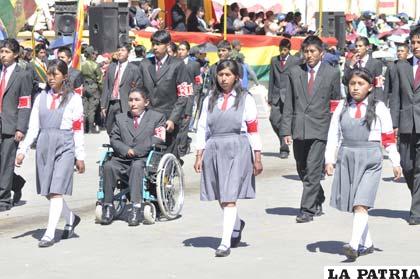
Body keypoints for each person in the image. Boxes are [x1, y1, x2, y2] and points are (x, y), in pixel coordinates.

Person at [325, 68, 401, 260]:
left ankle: (353, 245)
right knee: (356, 204)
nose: (356, 88)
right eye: (352, 84)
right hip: (347, 156)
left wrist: (395, 161)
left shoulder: (380, 107)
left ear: (369, 87)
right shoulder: (342, 107)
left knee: (361, 203)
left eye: (360, 84)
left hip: (371, 159)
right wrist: (329, 160)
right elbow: (333, 135)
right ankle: (367, 244)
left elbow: (388, 138)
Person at [194, 59, 263, 257]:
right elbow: (202, 128)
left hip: (237, 148)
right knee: (221, 195)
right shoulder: (209, 99)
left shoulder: (245, 99)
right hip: (214, 147)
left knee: (230, 196)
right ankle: (236, 223)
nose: (224, 79)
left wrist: (257, 156)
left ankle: (224, 243)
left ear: (236, 77)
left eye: (228, 75)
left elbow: (252, 130)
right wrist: (199, 154)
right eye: (221, 74)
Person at [15, 59, 85, 247]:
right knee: (48, 191)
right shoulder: (41, 97)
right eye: (49, 74)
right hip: (45, 144)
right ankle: (70, 217)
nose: (51, 78)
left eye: (55, 75)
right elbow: (33, 127)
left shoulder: (74, 99)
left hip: (65, 145)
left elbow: (78, 129)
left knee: (56, 190)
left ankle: (49, 233)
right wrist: (23, 151)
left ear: (65, 77)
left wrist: (80, 156)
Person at [280, 35, 341, 223]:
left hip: (320, 127)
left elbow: (334, 103)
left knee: (314, 168)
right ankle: (317, 195)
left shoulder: (332, 73)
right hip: (299, 126)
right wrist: (285, 130)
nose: (309, 55)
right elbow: (288, 103)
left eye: (313, 51)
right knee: (302, 167)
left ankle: (307, 210)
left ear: (321, 53)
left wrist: (334, 130)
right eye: (306, 51)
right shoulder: (293, 71)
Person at [100, 89, 166, 226]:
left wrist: (136, 151)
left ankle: (136, 206)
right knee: (108, 166)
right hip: (123, 157)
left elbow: (158, 138)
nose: (133, 103)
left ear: (146, 102)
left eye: (137, 100)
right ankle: (108, 205)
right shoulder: (121, 118)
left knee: (136, 166)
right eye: (130, 100)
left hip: (144, 158)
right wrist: (126, 150)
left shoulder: (157, 117)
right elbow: (114, 138)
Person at [138, 30, 192, 159]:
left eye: (158, 44)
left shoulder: (178, 64)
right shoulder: (145, 64)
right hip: (148, 116)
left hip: (168, 118)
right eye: (153, 44)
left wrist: (173, 119)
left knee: (165, 155)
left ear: (168, 45)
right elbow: (139, 91)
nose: (155, 47)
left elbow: (184, 95)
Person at [390, 26, 420, 226]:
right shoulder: (401, 66)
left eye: (419, 42)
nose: (416, 46)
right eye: (414, 43)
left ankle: (416, 211)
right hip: (406, 123)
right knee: (408, 168)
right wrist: (393, 124)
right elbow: (395, 97)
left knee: (419, 168)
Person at [0, 39, 32, 212]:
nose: (3, 55)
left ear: (16, 54)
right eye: (1, 51)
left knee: (6, 162)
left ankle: (4, 199)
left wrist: (21, 127)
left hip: (11, 124)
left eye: (6, 52)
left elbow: (25, 104)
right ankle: (16, 182)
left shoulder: (22, 75)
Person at [268, 38, 301, 159]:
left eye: (285, 50)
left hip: (289, 95)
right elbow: (272, 79)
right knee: (273, 119)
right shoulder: (274, 60)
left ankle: (284, 148)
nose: (282, 52)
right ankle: (284, 138)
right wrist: (270, 96)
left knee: (286, 121)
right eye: (281, 49)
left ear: (289, 50)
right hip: (276, 96)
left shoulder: (295, 61)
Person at [101, 43, 141, 134]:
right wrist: (103, 105)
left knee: (124, 129)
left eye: (122, 50)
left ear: (128, 53)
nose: (120, 52)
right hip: (111, 103)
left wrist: (135, 104)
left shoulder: (134, 69)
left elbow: (137, 88)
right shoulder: (111, 67)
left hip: (124, 103)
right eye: (118, 50)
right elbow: (106, 86)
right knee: (110, 127)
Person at [176, 41, 201, 157]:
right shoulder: (174, 63)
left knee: (185, 123)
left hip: (188, 98)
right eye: (179, 49)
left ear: (188, 51)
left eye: (183, 49)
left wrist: (192, 94)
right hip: (175, 99)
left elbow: (198, 82)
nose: (180, 52)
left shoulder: (194, 65)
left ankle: (181, 148)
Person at [343, 36, 386, 102]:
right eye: (356, 46)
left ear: (367, 47)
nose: (358, 48)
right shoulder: (349, 63)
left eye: (360, 46)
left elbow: (378, 85)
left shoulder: (376, 63)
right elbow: (345, 81)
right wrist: (351, 66)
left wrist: (379, 101)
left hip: (370, 99)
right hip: (353, 100)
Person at [81, 46, 102, 133]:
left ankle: (84, 128)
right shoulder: (95, 65)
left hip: (84, 87)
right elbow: (100, 79)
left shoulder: (81, 64)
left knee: (84, 109)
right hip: (93, 87)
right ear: (90, 54)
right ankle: (90, 129)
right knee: (92, 110)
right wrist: (101, 90)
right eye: (93, 53)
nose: (94, 55)